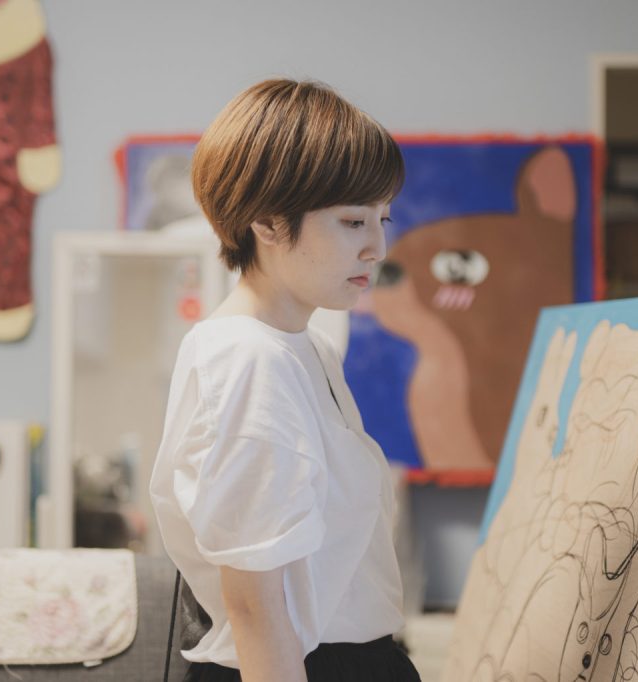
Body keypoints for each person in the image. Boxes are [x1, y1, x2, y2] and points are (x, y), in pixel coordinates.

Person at [149, 78, 420, 682]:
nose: (377, 246)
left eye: (382, 218)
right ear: (268, 223)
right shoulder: (248, 358)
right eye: (353, 221)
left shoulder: (306, 346)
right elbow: (255, 605)